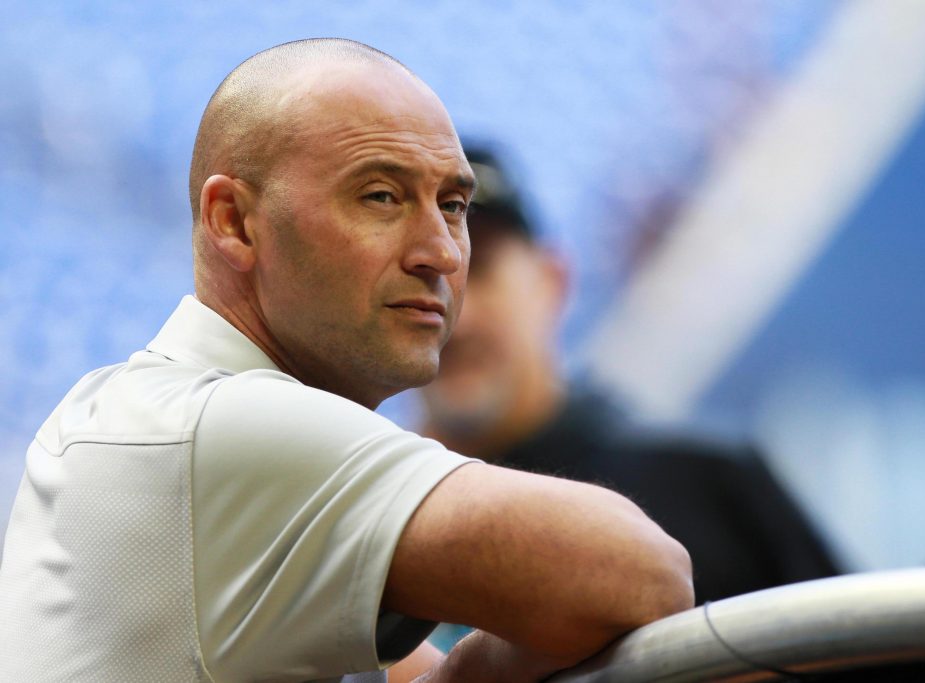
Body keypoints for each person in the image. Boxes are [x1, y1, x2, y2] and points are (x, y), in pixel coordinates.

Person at [0, 39, 694, 682]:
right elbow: (638, 572)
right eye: (381, 196)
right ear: (233, 221)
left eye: (452, 205)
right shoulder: (223, 426)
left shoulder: (151, 416)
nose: (441, 253)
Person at [420, 144, 839, 648]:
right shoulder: (366, 522)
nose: (457, 318)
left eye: (479, 271)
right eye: (426, 277)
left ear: (552, 282)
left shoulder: (704, 482)